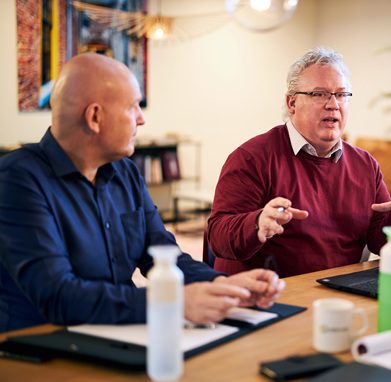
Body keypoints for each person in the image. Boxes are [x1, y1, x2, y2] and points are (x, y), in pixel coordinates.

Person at [0, 53, 283, 333]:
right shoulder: (17, 179)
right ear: (95, 117)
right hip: (41, 348)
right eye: (133, 106)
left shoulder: (125, 171)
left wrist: (222, 285)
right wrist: (171, 303)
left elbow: (162, 255)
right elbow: (58, 296)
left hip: (119, 333)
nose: (141, 119)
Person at [206, 48, 391, 278]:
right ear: (291, 102)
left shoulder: (365, 164)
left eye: (341, 94)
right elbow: (218, 238)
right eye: (319, 94)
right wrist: (256, 223)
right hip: (268, 297)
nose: (333, 104)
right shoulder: (252, 157)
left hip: (340, 291)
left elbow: (380, 242)